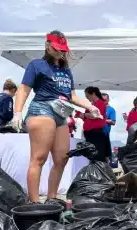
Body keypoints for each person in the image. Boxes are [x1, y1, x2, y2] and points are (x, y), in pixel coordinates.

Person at [12, 30, 101, 204]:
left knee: (62, 158)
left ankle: (52, 198)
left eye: (63, 50)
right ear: (47, 46)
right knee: (39, 157)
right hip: (42, 109)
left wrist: (91, 106)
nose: (61, 52)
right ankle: (34, 202)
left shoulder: (66, 70)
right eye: (57, 49)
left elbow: (72, 96)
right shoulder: (36, 65)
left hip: (61, 112)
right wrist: (18, 112)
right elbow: (23, 89)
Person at [75, 87, 111, 162]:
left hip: (96, 133)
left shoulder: (100, 103)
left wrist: (84, 115)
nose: (87, 98)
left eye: (87, 96)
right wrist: (80, 115)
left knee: (97, 155)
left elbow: (95, 115)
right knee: (92, 155)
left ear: (93, 94)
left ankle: (98, 171)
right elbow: (88, 117)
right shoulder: (92, 105)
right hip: (90, 133)